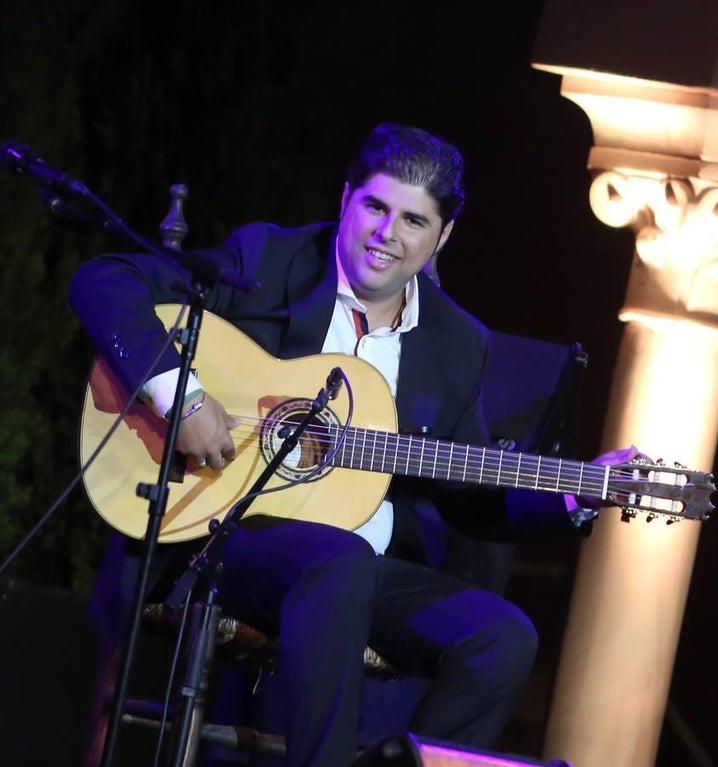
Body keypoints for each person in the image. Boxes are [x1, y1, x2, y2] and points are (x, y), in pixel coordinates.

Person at [70, 122, 638, 767]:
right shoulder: (270, 261)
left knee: (502, 636)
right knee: (337, 560)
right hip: (222, 535)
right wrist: (183, 396)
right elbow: (105, 280)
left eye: (414, 221)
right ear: (346, 200)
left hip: (355, 566)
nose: (386, 234)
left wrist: (570, 495)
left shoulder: (457, 343)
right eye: (375, 206)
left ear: (442, 236)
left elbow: (466, 496)